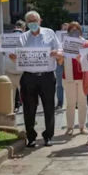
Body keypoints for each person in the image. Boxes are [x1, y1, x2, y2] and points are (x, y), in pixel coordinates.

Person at [10, 11, 62, 147]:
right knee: (28, 108)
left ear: (40, 21)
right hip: (29, 77)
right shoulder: (22, 38)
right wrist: (14, 58)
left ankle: (48, 136)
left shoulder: (50, 33)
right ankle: (31, 137)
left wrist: (57, 53)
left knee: (49, 108)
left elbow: (60, 51)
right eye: (30, 21)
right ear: (26, 24)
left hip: (47, 77)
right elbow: (17, 56)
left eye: (35, 21)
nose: (33, 23)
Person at [58, 22, 88, 136]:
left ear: (80, 31)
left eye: (76, 30)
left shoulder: (85, 43)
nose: (74, 32)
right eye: (72, 30)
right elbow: (60, 62)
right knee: (70, 104)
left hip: (82, 77)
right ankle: (70, 127)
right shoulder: (64, 44)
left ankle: (82, 126)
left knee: (82, 103)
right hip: (69, 77)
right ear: (68, 31)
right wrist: (60, 56)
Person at [0, 20, 26, 113]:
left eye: (19, 33)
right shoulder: (6, 43)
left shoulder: (26, 41)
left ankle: (30, 118)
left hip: (22, 74)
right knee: (9, 99)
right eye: (15, 33)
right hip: (9, 74)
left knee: (26, 98)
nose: (17, 35)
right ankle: (9, 117)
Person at [55, 23, 69, 110]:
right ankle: (60, 102)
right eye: (63, 29)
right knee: (59, 84)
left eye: (67, 29)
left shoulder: (73, 40)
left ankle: (72, 102)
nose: (65, 31)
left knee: (70, 83)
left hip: (69, 64)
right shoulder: (57, 41)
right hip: (60, 64)